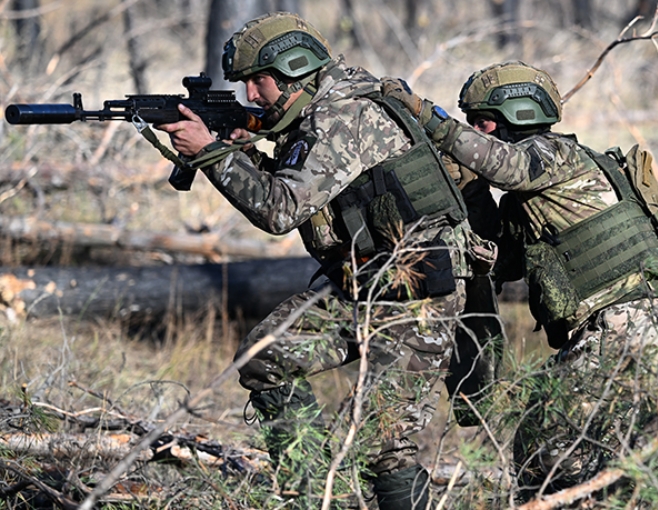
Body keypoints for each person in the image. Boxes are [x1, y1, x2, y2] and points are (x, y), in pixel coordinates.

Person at [154, 12, 493, 510]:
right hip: (366, 280)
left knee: (387, 447)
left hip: (417, 288)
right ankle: (311, 495)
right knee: (266, 357)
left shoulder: (343, 115)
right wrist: (234, 154)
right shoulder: (318, 112)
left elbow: (281, 209)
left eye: (257, 81)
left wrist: (212, 154)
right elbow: (301, 189)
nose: (251, 96)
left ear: (293, 69)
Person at [382, 61, 658, 500]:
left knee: (551, 449)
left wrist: (425, 116)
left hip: (627, 326)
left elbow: (504, 165)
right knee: (557, 450)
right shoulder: (527, 197)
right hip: (611, 332)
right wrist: (470, 195)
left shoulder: (555, 155)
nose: (477, 131)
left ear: (518, 115)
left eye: (482, 122)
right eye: (471, 124)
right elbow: (503, 265)